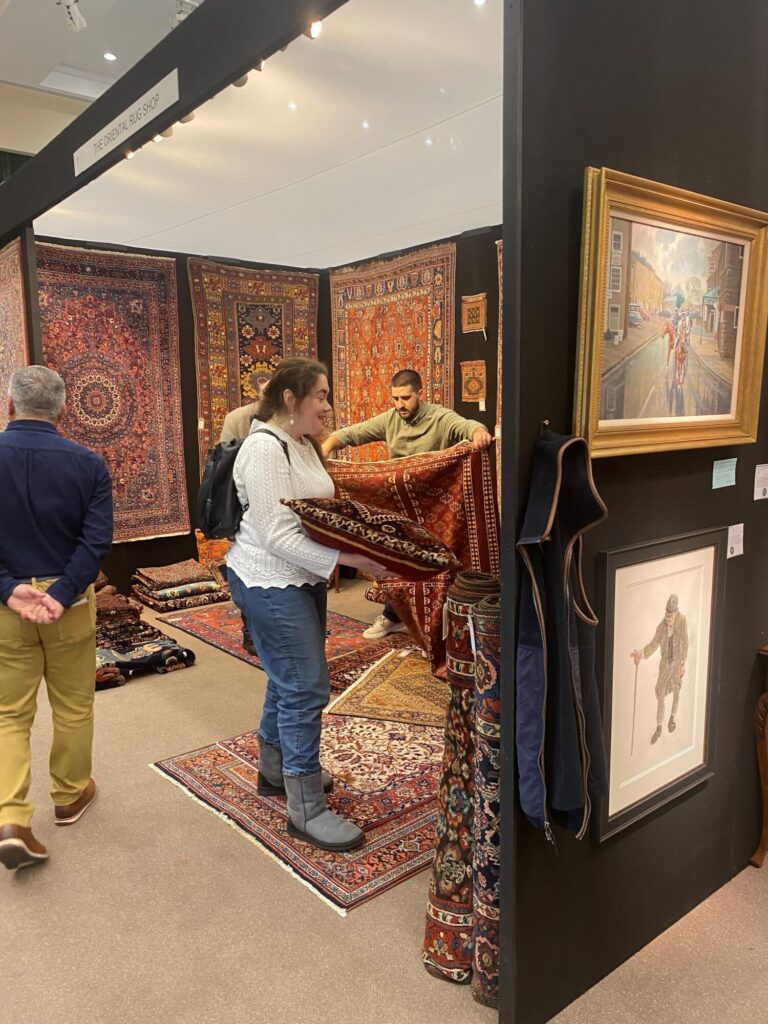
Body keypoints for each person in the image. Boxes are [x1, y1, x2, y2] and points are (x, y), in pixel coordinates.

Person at [226, 358, 386, 852]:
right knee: (306, 687)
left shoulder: (300, 444)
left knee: (289, 678)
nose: (328, 405)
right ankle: (305, 808)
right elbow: (275, 535)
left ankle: (275, 771)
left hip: (300, 577)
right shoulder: (264, 448)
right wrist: (352, 557)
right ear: (290, 400)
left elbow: (315, 508)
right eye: (320, 395)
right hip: (270, 579)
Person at [0, 366, 113, 871]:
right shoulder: (88, 464)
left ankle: (11, 817)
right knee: (73, 705)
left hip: (7, 606)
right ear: (63, 409)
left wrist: (8, 590)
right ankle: (69, 795)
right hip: (70, 605)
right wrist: (63, 594)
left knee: (8, 714)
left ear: (9, 406)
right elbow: (95, 543)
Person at [321, 368, 493, 639]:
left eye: (406, 398)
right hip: (401, 509)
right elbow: (351, 434)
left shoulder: (439, 417)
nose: (400, 404)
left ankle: (442, 621)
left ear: (420, 394)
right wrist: (327, 447)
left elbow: (468, 426)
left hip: (436, 507)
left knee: (439, 564)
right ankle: (394, 616)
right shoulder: (390, 419)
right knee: (393, 559)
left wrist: (479, 432)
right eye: (395, 398)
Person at [631, 593, 688, 745]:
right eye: (667, 617)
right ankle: (659, 727)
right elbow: (654, 643)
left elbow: (685, 642)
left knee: (677, 689)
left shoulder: (682, 621)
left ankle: (672, 718)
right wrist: (641, 654)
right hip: (665, 664)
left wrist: (683, 663)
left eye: (671, 617)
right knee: (660, 692)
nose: (668, 620)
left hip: (677, 663)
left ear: (675, 613)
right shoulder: (661, 627)